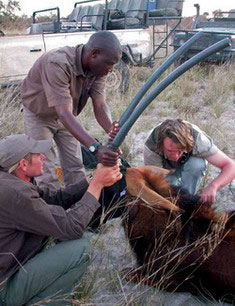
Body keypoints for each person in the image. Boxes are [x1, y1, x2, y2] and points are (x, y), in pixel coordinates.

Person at [0, 134, 122, 306]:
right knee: (81, 248)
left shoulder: (10, 180)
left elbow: (55, 199)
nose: (44, 157)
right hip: (3, 291)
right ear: (23, 164)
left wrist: (93, 177)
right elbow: (71, 227)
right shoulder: (16, 194)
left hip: (8, 270)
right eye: (38, 154)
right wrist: (98, 185)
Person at [21, 30, 122, 190]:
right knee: (44, 169)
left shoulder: (97, 69)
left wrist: (112, 131)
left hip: (68, 117)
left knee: (75, 165)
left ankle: (78, 208)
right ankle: (52, 212)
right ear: (94, 54)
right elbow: (63, 113)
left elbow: (100, 105)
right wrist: (95, 148)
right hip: (40, 116)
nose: (111, 69)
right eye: (109, 64)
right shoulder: (58, 63)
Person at [144, 119, 235, 204]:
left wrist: (214, 186)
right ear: (161, 146)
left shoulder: (198, 139)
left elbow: (231, 166)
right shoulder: (152, 145)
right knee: (166, 191)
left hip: (188, 163)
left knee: (197, 164)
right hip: (164, 168)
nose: (175, 156)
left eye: (180, 150)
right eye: (170, 151)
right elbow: (154, 182)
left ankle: (187, 200)